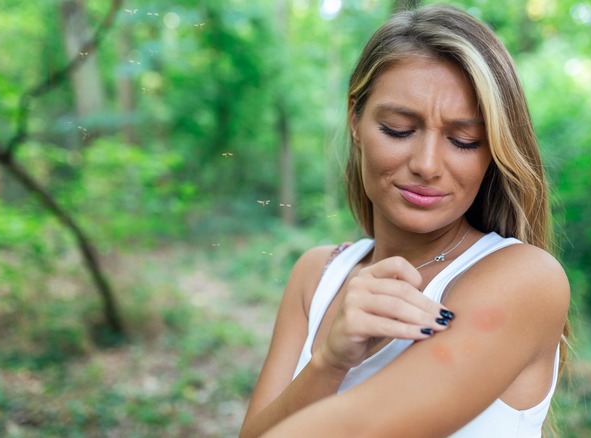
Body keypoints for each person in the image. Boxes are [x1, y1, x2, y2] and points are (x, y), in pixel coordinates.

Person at [240, 4, 570, 437]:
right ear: (355, 118)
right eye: (398, 128)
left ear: (495, 150)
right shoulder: (316, 276)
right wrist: (330, 361)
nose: (427, 165)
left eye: (463, 140)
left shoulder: (527, 279)